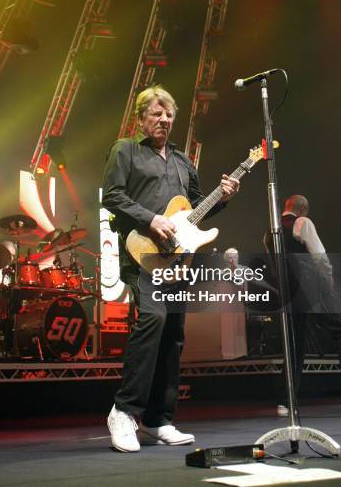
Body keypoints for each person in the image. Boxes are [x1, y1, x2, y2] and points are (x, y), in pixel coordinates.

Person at [102, 85, 239, 452]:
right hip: (140, 251)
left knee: (174, 333)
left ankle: (159, 419)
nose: (164, 120)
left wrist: (221, 199)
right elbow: (111, 195)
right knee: (154, 319)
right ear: (141, 117)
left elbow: (196, 210)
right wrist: (151, 220)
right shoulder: (126, 150)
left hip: (177, 260)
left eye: (169, 115)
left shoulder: (183, 162)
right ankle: (124, 411)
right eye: (156, 114)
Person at [270, 195, 341, 417]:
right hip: (312, 287)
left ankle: (285, 402)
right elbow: (319, 257)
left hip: (290, 293)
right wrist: (328, 280)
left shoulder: (269, 231)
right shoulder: (303, 223)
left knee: (295, 346)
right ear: (303, 211)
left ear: (286, 208)